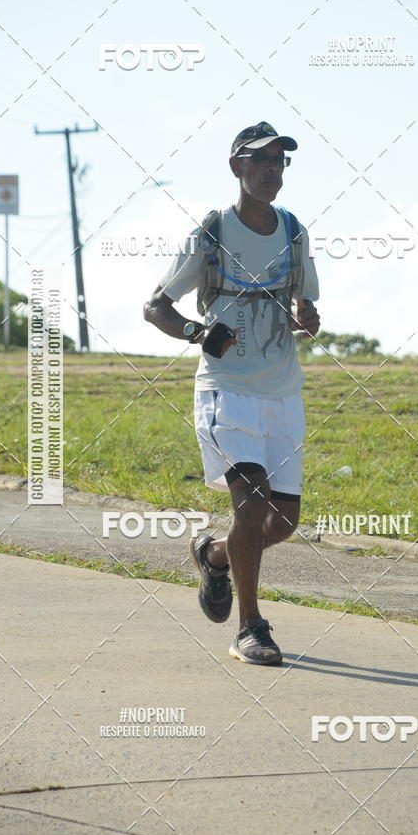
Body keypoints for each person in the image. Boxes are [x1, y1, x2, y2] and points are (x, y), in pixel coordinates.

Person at [143, 121, 320, 665]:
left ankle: (215, 556)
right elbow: (156, 306)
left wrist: (307, 316)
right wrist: (199, 333)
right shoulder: (213, 232)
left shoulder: (293, 231)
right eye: (261, 160)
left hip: (282, 392)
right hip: (228, 392)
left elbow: (308, 309)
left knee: (282, 522)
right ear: (236, 167)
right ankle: (252, 628)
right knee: (252, 502)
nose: (273, 170)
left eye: (279, 161)